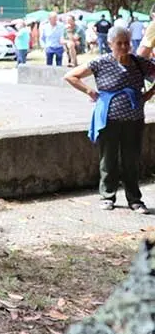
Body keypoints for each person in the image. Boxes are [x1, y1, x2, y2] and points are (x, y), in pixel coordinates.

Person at [64, 26, 155, 213]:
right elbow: (70, 76)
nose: (123, 47)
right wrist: (90, 91)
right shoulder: (101, 62)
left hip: (134, 120)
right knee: (108, 159)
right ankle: (107, 196)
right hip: (108, 119)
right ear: (110, 43)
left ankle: (135, 200)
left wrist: (149, 94)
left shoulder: (139, 63)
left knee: (131, 160)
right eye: (119, 43)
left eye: (126, 43)